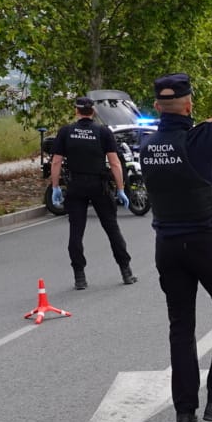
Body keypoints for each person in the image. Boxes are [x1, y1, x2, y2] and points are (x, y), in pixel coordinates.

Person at [140, 27, 212, 422]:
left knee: (180, 326)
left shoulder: (147, 146)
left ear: (157, 107)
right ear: (188, 105)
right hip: (204, 243)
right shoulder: (201, 140)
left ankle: (184, 411)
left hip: (166, 246)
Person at [48, 95, 136, 290]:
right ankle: (126, 271)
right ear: (93, 111)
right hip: (99, 185)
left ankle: (79, 276)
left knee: (76, 232)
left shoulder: (66, 131)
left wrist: (55, 186)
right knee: (112, 229)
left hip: (76, 185)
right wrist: (121, 189)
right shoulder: (103, 132)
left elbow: (56, 161)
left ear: (76, 111)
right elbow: (114, 163)